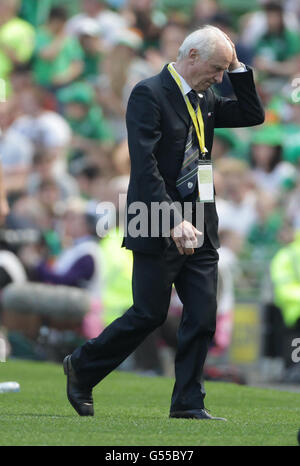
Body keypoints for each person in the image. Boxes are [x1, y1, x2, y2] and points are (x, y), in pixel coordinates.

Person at [63, 25, 264, 419]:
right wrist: (172, 220)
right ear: (190, 56)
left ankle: (188, 402)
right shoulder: (148, 94)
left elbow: (251, 114)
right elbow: (145, 168)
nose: (220, 78)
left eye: (225, 70)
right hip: (155, 218)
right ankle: (82, 366)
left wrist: (238, 66)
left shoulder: (205, 96)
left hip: (201, 221)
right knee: (149, 314)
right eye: (216, 68)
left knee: (203, 314)